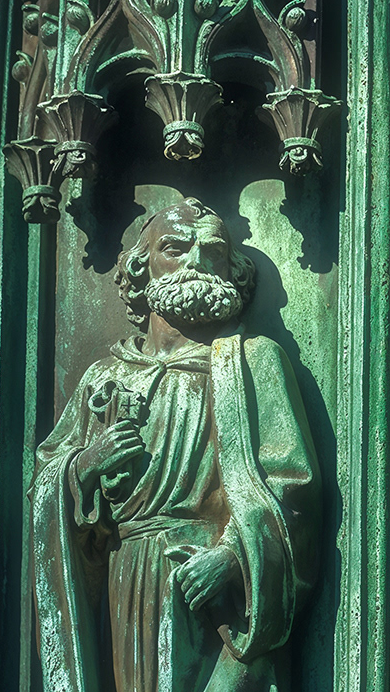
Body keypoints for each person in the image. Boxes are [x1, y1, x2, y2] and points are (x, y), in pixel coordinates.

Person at [32, 197, 320, 691]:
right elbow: (48, 486)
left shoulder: (253, 363)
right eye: (175, 247)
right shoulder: (105, 377)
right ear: (141, 268)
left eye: (213, 251)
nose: (195, 262)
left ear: (233, 272)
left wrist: (232, 559)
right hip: (128, 581)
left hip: (213, 592)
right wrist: (85, 466)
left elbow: (292, 488)